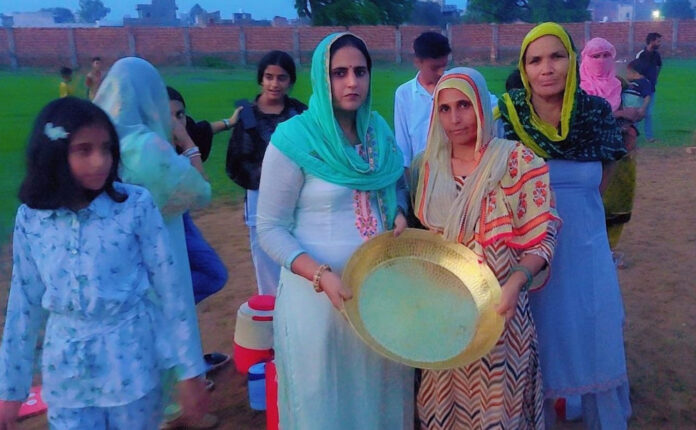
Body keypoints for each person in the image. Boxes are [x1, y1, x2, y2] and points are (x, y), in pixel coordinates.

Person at [0, 97, 205, 429]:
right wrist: (11, 390)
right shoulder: (32, 220)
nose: (100, 161)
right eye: (84, 150)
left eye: (106, 148)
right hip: (66, 371)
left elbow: (171, 289)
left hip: (131, 363)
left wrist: (189, 369)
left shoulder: (134, 206)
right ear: (53, 154)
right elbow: (23, 303)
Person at [256, 33, 413, 429]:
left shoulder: (377, 131)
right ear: (321, 79)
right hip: (318, 302)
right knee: (326, 402)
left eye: (360, 72)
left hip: (377, 295)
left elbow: (392, 185)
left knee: (378, 395)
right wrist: (321, 276)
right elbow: (270, 228)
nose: (351, 83)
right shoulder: (295, 139)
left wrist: (399, 213)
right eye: (338, 72)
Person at [498, 22, 631, 429]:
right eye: (535, 60)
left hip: (588, 250)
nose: (547, 68)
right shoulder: (507, 118)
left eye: (556, 56)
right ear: (524, 68)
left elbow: (606, 171)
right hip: (534, 257)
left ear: (572, 60)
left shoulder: (594, 114)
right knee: (543, 345)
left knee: (596, 337)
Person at [411, 67, 560, 429]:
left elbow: (545, 235)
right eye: (444, 109)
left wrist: (515, 282)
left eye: (463, 105)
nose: (455, 118)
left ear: (480, 105)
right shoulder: (429, 168)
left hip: (501, 317)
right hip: (445, 319)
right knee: (441, 410)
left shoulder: (516, 161)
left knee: (499, 413)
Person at [93, 57, 214, 429]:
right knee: (169, 321)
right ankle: (173, 411)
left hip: (115, 261)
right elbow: (203, 194)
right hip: (163, 253)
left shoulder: (98, 144)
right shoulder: (150, 149)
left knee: (132, 332)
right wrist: (187, 144)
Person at [226, 50, 307, 296]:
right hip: (260, 197)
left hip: (298, 194)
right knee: (265, 254)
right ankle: (271, 307)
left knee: (298, 246)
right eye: (269, 77)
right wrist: (270, 178)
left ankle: (297, 300)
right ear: (261, 79)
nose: (274, 84)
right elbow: (236, 163)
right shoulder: (246, 116)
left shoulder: (299, 114)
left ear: (290, 82)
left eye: (281, 78)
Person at [167, 86, 232, 380]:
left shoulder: (177, 139)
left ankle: (186, 358)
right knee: (178, 290)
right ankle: (184, 365)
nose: (175, 123)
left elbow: (205, 128)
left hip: (181, 222)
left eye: (179, 115)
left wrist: (231, 122)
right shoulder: (147, 155)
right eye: (167, 116)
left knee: (212, 274)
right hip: (163, 230)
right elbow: (201, 189)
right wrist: (188, 144)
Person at [580, 37, 641, 257]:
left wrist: (630, 121)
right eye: (596, 56)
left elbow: (632, 112)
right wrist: (617, 115)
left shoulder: (620, 85)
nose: (601, 60)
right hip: (589, 157)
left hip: (620, 153)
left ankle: (609, 250)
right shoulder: (578, 88)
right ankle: (591, 251)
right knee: (590, 205)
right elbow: (582, 118)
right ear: (586, 58)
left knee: (617, 206)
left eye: (606, 55)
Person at [394, 31, 451, 172]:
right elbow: (403, 146)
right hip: (421, 174)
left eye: (444, 66)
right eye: (435, 67)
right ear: (418, 62)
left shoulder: (455, 85)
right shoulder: (404, 94)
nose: (441, 72)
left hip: (455, 172)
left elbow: (491, 104)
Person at [635, 32, 662, 142]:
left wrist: (655, 78)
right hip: (641, 89)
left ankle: (649, 137)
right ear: (651, 41)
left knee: (648, 113)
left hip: (651, 88)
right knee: (637, 111)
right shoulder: (641, 54)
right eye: (658, 41)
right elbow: (634, 69)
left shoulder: (656, 55)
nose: (660, 43)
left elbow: (659, 66)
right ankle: (632, 134)